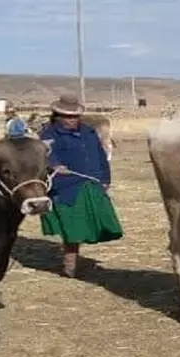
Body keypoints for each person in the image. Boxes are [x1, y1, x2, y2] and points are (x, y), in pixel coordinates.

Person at [39, 93, 124, 278]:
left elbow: (101, 157)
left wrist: (105, 179)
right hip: (66, 187)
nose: (72, 120)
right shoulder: (48, 135)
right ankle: (70, 264)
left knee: (103, 223)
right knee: (72, 228)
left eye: (75, 116)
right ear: (58, 116)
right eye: (68, 116)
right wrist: (54, 165)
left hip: (92, 183)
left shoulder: (88, 132)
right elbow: (46, 155)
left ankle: (74, 258)